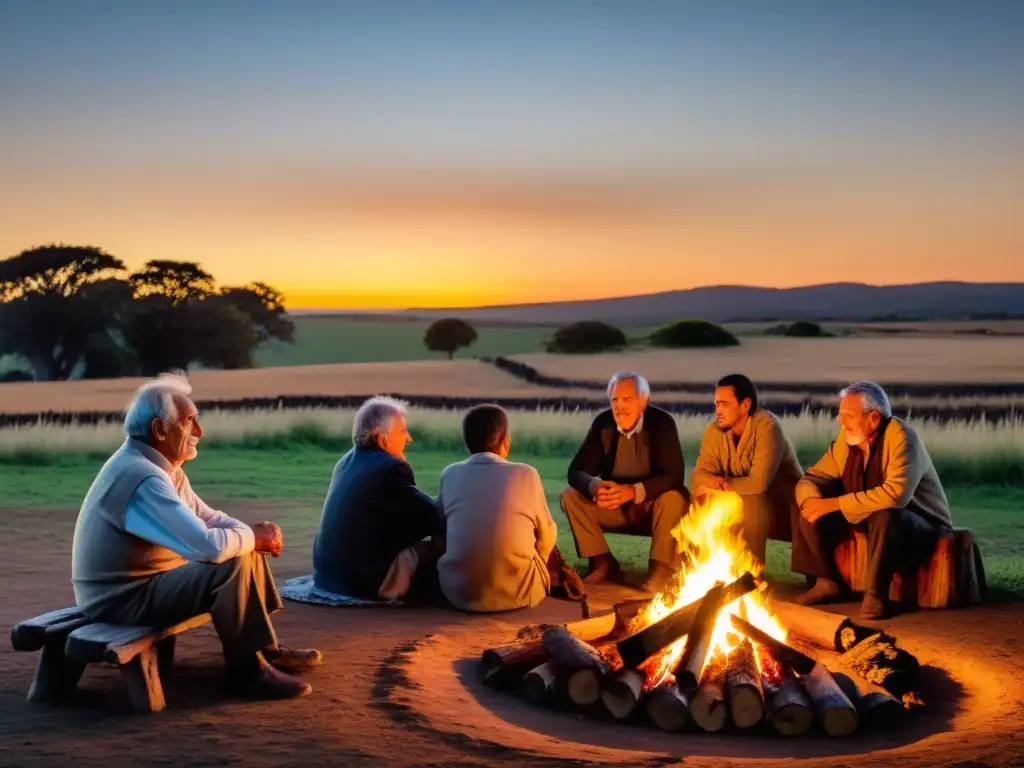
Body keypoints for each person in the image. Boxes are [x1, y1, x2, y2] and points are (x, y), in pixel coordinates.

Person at [71, 371, 322, 700]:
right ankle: (247, 672)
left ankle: (264, 649)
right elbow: (207, 548)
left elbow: (208, 517)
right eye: (190, 421)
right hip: (120, 600)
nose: (199, 432)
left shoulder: (161, 467)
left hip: (140, 587)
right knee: (230, 562)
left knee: (243, 547)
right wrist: (251, 536)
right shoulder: (142, 477)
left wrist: (251, 534)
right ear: (159, 429)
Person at [791, 381, 953, 619]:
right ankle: (825, 581)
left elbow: (895, 495)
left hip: (919, 523)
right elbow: (813, 477)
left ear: (874, 418)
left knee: (886, 512)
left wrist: (833, 504)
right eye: (840, 414)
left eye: (847, 415)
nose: (840, 420)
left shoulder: (902, 438)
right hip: (867, 517)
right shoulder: (848, 440)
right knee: (808, 506)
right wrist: (811, 500)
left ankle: (875, 594)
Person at [559, 372, 688, 592]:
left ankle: (661, 569)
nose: (620, 407)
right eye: (615, 400)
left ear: (643, 401)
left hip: (652, 508)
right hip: (615, 506)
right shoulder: (603, 423)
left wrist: (634, 491)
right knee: (570, 494)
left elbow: (674, 476)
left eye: (627, 400)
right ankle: (602, 562)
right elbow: (576, 470)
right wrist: (595, 486)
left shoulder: (661, 423)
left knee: (674, 498)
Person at [312, 396, 443, 602]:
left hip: (328, 579)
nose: (409, 438)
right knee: (445, 542)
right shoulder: (391, 468)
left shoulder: (345, 461)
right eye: (402, 431)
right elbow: (434, 516)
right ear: (382, 438)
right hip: (365, 583)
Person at [435, 404, 558, 612]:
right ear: (506, 442)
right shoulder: (525, 473)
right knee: (546, 539)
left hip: (458, 592)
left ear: (468, 443)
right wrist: (542, 561)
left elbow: (441, 531)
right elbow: (547, 535)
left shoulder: (450, 474)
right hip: (520, 594)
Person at [689, 374, 803, 563]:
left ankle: (750, 574)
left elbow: (758, 484)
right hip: (740, 500)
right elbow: (697, 479)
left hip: (784, 506)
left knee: (752, 501)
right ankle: (700, 569)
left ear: (745, 404)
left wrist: (719, 485)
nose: (718, 410)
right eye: (716, 404)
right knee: (700, 502)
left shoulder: (767, 426)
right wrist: (710, 484)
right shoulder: (715, 431)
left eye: (724, 404)